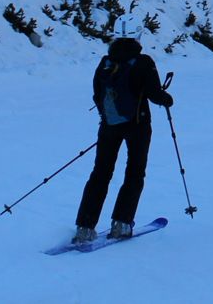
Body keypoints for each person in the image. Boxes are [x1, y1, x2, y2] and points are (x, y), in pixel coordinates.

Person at [72, 33, 173, 244]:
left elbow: (97, 94)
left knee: (100, 173)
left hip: (109, 126)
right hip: (138, 125)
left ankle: (84, 227)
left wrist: (109, 117)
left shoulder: (105, 62)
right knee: (135, 172)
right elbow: (154, 95)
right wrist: (167, 99)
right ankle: (121, 224)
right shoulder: (144, 62)